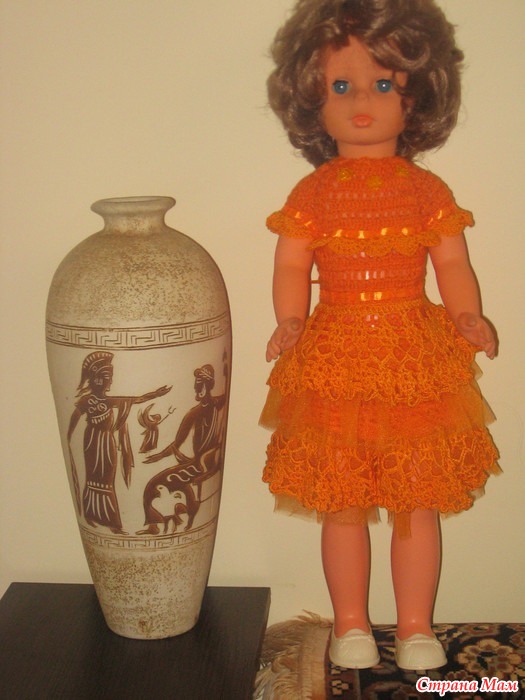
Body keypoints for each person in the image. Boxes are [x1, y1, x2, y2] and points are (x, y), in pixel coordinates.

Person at [260, 0, 500, 671]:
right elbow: (291, 263)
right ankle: (350, 625)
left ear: (415, 97)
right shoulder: (314, 193)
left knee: (416, 499)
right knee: (342, 503)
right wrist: (290, 319)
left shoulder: (424, 190)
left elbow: (451, 262)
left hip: (411, 355)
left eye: (382, 84)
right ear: (311, 97)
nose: (361, 101)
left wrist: (466, 314)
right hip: (336, 355)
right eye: (341, 85)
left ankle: (416, 626)